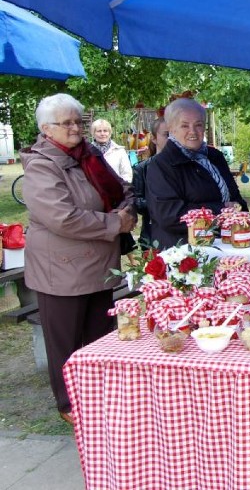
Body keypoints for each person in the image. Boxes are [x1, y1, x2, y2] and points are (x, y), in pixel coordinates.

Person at [21, 93, 137, 425]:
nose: (75, 128)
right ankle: (70, 406)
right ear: (46, 129)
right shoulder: (42, 164)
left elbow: (122, 188)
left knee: (100, 339)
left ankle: (100, 401)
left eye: (78, 121)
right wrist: (115, 222)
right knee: (66, 345)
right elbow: (63, 217)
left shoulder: (89, 155)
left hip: (99, 266)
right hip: (62, 272)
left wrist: (128, 208)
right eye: (66, 123)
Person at [147, 98, 248, 249]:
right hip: (185, 252)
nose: (192, 132)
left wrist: (238, 209)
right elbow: (170, 216)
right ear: (171, 128)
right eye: (184, 125)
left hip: (225, 245)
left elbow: (236, 199)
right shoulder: (161, 165)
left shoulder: (215, 157)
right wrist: (223, 210)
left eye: (198, 125)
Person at [131, 117, 169, 246]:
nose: (172, 139)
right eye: (167, 135)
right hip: (152, 234)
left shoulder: (189, 167)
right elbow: (136, 201)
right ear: (154, 138)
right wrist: (162, 203)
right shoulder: (142, 168)